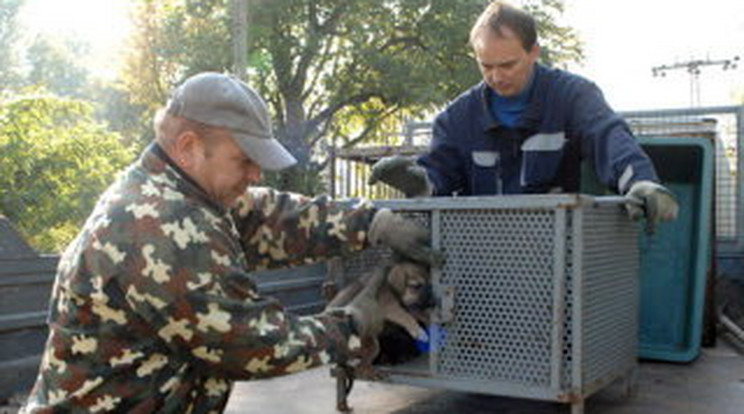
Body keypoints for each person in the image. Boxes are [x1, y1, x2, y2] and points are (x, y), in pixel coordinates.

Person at [21, 72, 437, 413]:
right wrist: (354, 322)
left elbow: (269, 216)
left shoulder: (180, 191)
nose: (256, 174)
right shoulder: (161, 225)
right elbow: (253, 344)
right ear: (189, 148)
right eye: (244, 160)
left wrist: (373, 222)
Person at [369, 1, 678, 229]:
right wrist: (417, 180)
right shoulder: (458, 118)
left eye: (507, 65)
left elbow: (609, 137)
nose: (496, 76)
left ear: (534, 52)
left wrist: (640, 182)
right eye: (486, 66)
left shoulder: (572, 96)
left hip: (557, 248)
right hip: (482, 250)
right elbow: (439, 176)